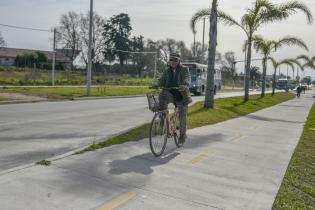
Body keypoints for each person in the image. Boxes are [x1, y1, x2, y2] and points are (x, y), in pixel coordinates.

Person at [154, 52, 192, 144]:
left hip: (181, 93)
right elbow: (161, 79)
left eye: (175, 60)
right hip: (170, 92)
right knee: (162, 96)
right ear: (169, 61)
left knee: (182, 116)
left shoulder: (184, 69)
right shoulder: (167, 71)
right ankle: (167, 129)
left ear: (179, 61)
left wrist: (185, 84)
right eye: (171, 60)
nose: (173, 61)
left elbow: (187, 77)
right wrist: (157, 84)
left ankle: (182, 136)